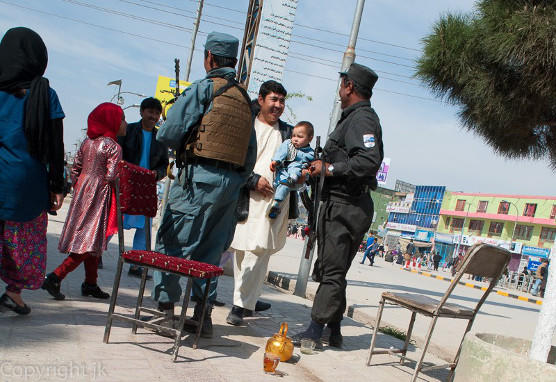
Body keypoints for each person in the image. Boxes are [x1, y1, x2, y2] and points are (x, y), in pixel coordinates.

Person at [151, 32, 256, 338]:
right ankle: (202, 317)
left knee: (173, 243)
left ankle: (167, 313)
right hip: (231, 186)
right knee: (210, 254)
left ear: (209, 57)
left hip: (197, 181)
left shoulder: (203, 89)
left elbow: (167, 133)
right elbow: (250, 153)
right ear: (233, 62)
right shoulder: (244, 99)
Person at [292, 62, 384, 349]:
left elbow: (369, 161)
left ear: (350, 87)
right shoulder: (352, 118)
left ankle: (314, 330)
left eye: (342, 83)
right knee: (335, 269)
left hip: (346, 205)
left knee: (332, 272)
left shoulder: (362, 120)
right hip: (341, 204)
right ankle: (333, 329)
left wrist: (329, 169)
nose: (339, 88)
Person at [0, 27, 65, 315]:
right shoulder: (45, 94)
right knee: (24, 242)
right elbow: (55, 145)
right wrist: (57, 185)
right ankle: (14, 292)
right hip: (27, 181)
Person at [226, 80, 297, 326]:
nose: (278, 105)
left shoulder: (288, 133)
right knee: (243, 250)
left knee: (260, 251)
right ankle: (247, 299)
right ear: (261, 100)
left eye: (281, 101)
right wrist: (253, 180)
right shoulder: (247, 127)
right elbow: (233, 161)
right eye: (273, 100)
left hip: (274, 203)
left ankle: (241, 304)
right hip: (248, 198)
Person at [42, 103, 126, 301]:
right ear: (112, 121)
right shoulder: (113, 147)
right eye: (122, 119)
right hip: (100, 194)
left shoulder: (87, 143)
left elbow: (76, 168)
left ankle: (90, 283)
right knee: (89, 240)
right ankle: (56, 276)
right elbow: (112, 175)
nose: (125, 124)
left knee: (91, 237)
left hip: (83, 192)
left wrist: (81, 185)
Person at [118, 97, 168, 278]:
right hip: (126, 185)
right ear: (142, 112)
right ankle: (97, 254)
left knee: (144, 226)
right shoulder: (128, 130)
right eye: (150, 112)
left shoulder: (161, 138)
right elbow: (118, 153)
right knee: (115, 221)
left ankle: (136, 264)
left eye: (156, 113)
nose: (153, 116)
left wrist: (157, 174)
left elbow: (164, 165)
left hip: (147, 188)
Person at [269, 121, 314, 218]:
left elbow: (313, 165)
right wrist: (276, 161)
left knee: (295, 167)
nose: (295, 139)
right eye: (293, 136)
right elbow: (281, 153)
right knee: (283, 186)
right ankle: (276, 205)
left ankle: (291, 179)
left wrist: (309, 170)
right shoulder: (288, 144)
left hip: (298, 175)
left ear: (310, 138)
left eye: (300, 137)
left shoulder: (311, 153)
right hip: (284, 173)